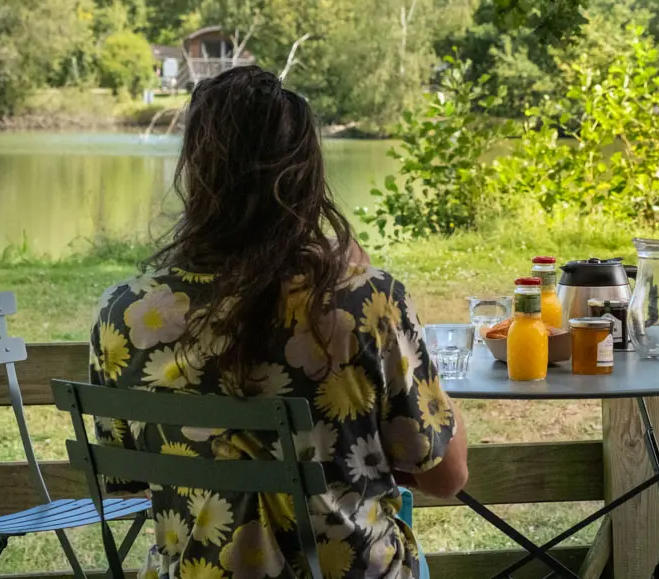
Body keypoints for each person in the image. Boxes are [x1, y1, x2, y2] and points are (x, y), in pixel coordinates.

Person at [88, 66, 468, 579]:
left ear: (196, 173)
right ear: (306, 174)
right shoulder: (368, 302)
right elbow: (446, 477)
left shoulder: (126, 313)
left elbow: (127, 475)